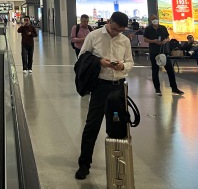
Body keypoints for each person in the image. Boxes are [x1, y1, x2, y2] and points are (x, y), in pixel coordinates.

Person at [75, 11, 134, 180]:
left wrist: (122, 66)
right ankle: (84, 164)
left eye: (120, 31)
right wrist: (99, 61)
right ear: (109, 22)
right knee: (92, 125)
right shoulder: (94, 36)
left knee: (118, 126)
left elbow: (130, 61)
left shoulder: (124, 40)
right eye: (114, 29)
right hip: (100, 86)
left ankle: (118, 163)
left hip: (118, 87)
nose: (116, 33)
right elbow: (82, 58)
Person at [143, 15, 184, 96]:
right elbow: (145, 39)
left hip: (164, 51)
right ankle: (157, 89)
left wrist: (165, 41)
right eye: (153, 19)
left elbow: (168, 37)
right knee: (155, 70)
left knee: (170, 70)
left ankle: (174, 88)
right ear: (150, 20)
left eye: (156, 18)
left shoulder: (163, 28)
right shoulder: (148, 29)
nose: (155, 20)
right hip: (154, 52)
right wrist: (154, 41)